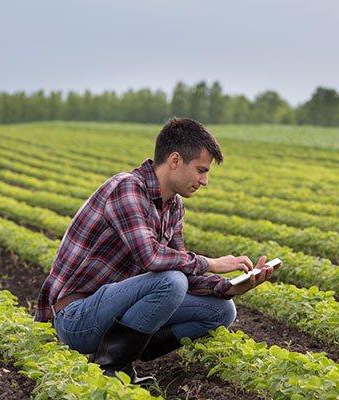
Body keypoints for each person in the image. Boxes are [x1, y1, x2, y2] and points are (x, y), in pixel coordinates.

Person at [34, 117, 279, 386]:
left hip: (115, 312)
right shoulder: (127, 188)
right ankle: (112, 367)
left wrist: (230, 287)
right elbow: (151, 257)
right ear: (175, 160)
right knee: (171, 282)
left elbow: (183, 266)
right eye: (201, 170)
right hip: (78, 318)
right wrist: (210, 262)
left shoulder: (173, 206)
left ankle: (133, 349)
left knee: (222, 311)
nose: (205, 180)